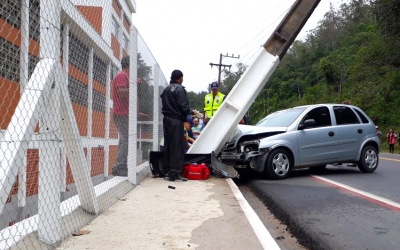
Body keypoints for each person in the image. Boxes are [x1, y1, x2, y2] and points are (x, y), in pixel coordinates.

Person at [161, 69, 192, 181]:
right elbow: (183, 106)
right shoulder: (179, 89)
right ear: (181, 78)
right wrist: (188, 113)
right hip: (176, 120)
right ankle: (175, 173)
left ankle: (167, 171)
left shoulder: (166, 89)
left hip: (166, 119)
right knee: (177, 146)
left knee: (168, 145)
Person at [111, 56, 131, 177]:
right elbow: (121, 92)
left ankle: (120, 166)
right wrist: (133, 87)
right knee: (125, 140)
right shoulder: (122, 75)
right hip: (121, 113)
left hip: (124, 113)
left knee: (124, 139)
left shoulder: (125, 76)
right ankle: (120, 167)